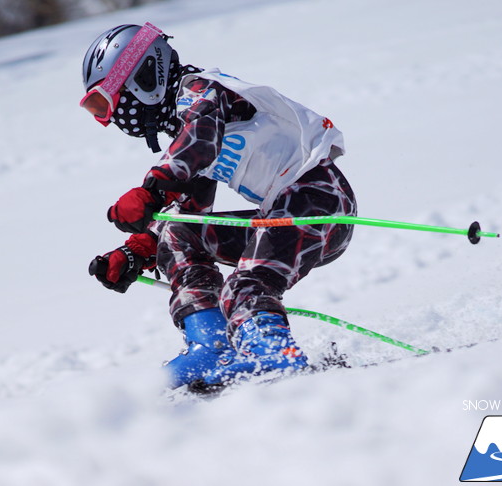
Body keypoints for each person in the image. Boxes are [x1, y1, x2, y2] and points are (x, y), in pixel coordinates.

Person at [83, 23, 357, 392]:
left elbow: (199, 139)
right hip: (283, 211)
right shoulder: (189, 124)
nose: (112, 117)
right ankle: (210, 345)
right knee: (179, 234)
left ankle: (274, 355)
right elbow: (190, 204)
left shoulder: (201, 93)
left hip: (318, 201)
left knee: (245, 287)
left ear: (144, 76)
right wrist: (142, 249)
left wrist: (149, 190)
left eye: (108, 101)